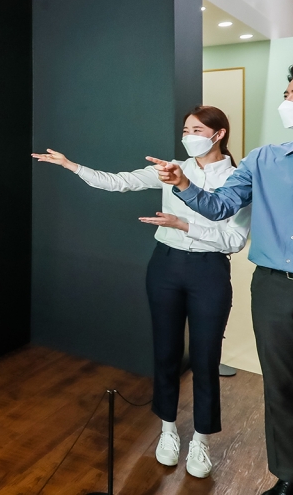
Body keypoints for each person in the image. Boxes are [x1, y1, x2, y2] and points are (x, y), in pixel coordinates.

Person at [149, 62, 293, 495]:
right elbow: (220, 206)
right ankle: (288, 480)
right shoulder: (263, 159)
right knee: (279, 390)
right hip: (271, 288)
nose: (287, 102)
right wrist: (184, 184)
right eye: (287, 94)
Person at [33, 106, 250, 479]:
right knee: (165, 352)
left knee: (205, 357)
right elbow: (118, 182)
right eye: (185, 129)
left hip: (209, 271)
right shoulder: (169, 169)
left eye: (197, 130)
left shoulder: (237, 178)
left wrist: (184, 225)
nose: (188, 136)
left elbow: (233, 240)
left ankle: (201, 439)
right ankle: (167, 430)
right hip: (165, 265)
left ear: (219, 134)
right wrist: (71, 166)